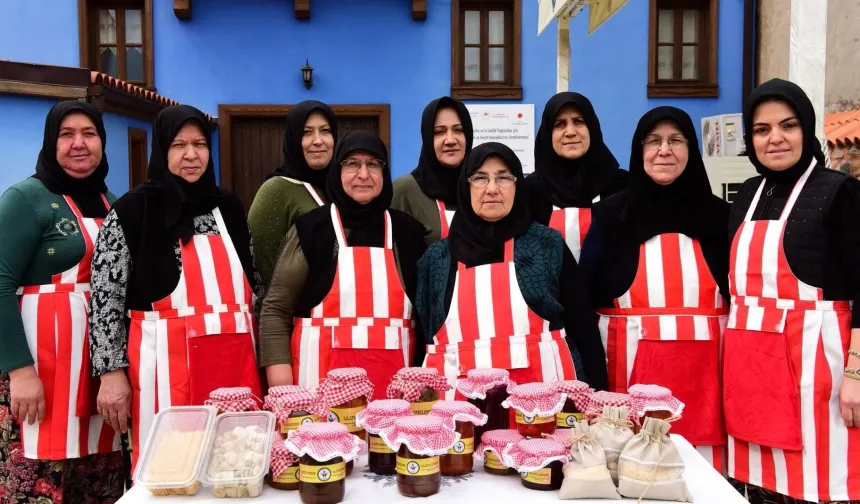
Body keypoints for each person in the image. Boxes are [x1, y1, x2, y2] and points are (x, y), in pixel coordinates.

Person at [89, 105, 263, 471]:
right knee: (169, 474)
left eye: (200, 144)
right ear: (161, 149)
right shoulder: (133, 212)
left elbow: (255, 287)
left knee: (235, 467)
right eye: (179, 145)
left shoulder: (228, 207)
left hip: (234, 370)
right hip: (165, 375)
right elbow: (106, 300)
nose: (191, 154)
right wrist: (110, 374)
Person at [722, 79, 860, 504]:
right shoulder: (746, 194)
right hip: (752, 366)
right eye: (762, 130)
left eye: (788, 125)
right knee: (762, 486)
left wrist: (856, 372)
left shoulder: (838, 191)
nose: (775, 138)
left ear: (808, 129)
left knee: (821, 486)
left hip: (821, 368)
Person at [579, 106, 730, 472]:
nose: (665, 150)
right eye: (654, 141)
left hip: (708, 377)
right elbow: (585, 297)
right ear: (639, 150)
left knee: (704, 476)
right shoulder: (610, 217)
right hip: (626, 375)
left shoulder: (721, 216)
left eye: (676, 140)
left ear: (691, 150)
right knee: (632, 473)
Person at [0, 101, 123, 502]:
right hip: (40, 374)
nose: (78, 144)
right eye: (66, 135)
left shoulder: (112, 201)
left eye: (89, 134)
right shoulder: (26, 198)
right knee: (39, 480)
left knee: (94, 478)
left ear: (102, 143)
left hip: (94, 373)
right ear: (51, 143)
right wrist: (20, 371)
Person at [417, 142, 607, 396]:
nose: (492, 189)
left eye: (504, 177)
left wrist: (597, 398)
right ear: (465, 186)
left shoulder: (547, 244)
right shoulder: (437, 259)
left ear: (518, 185)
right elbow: (425, 335)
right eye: (480, 178)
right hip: (461, 413)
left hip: (548, 406)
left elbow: (583, 328)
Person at [259, 131, 426, 397]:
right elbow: (276, 309)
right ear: (337, 170)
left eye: (373, 164)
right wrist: (283, 389)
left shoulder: (408, 233)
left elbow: (427, 317)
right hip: (315, 394)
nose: (363, 174)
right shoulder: (311, 229)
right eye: (352, 164)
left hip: (395, 400)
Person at [527, 92, 627, 262]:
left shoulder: (623, 186)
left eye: (578, 122)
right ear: (547, 133)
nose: (570, 132)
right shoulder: (528, 193)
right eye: (560, 124)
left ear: (592, 128)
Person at [248, 100, 337, 288]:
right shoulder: (275, 191)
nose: (318, 140)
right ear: (294, 138)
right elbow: (265, 269)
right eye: (307, 132)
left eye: (325, 131)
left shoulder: (339, 188)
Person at [392, 97, 473, 245]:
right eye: (439, 132)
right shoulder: (405, 190)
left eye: (459, 130)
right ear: (428, 139)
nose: (450, 140)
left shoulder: (479, 186)